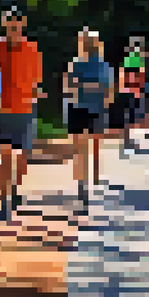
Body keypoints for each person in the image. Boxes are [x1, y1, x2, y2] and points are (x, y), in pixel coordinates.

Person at [0, 4, 43, 222]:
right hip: (1, 111)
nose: (14, 26)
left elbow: (36, 80)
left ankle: (15, 189)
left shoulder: (32, 50)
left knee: (22, 157)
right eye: (10, 22)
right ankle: (3, 202)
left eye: (17, 22)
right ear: (5, 24)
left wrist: (37, 93)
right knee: (5, 155)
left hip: (25, 109)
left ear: (23, 25)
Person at [63, 28, 112, 208]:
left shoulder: (99, 64)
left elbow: (106, 89)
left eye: (88, 42)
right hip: (81, 108)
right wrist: (92, 87)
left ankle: (89, 178)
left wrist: (81, 85)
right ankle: (83, 184)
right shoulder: (77, 63)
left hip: (92, 108)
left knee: (89, 146)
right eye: (85, 41)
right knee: (82, 148)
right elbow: (69, 86)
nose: (86, 45)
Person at [118, 35, 145, 156]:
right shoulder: (137, 59)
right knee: (130, 117)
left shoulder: (126, 59)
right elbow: (140, 75)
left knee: (126, 117)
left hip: (125, 90)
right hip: (134, 91)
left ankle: (126, 141)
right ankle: (127, 142)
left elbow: (122, 74)